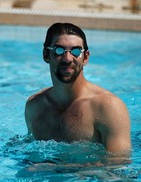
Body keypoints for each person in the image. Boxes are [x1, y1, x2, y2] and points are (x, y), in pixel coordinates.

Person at [25, 23, 131, 156]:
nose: (68, 58)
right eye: (59, 50)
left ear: (85, 57)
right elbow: (28, 147)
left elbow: (117, 167)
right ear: (46, 55)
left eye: (76, 51)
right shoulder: (35, 105)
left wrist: (59, 167)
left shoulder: (107, 107)